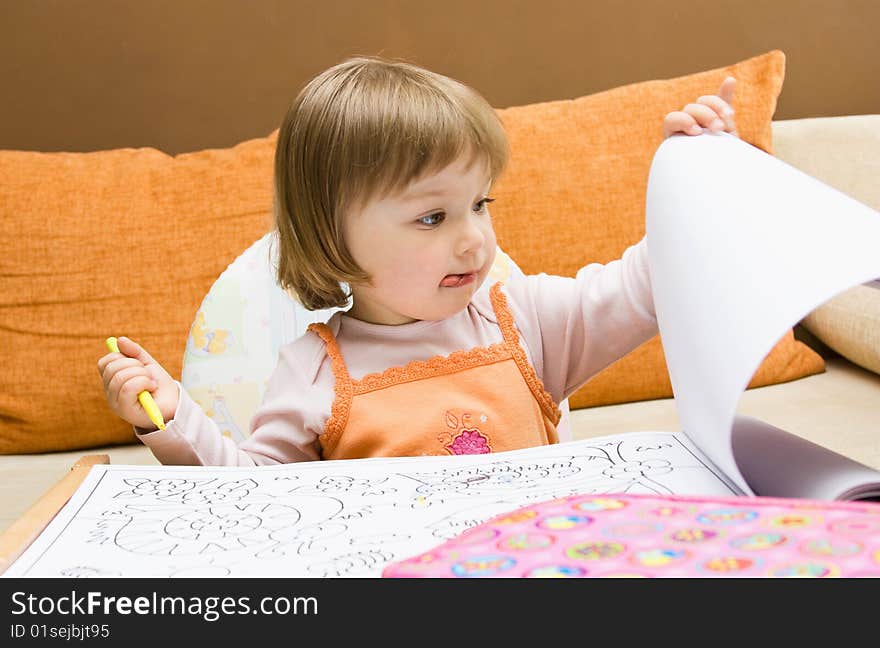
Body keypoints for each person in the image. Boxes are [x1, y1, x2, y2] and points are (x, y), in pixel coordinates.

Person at [98, 56, 737, 465]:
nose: (474, 241)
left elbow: (651, 284)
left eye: (480, 204)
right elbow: (256, 500)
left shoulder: (527, 320)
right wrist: (173, 416)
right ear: (333, 237)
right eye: (432, 217)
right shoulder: (315, 374)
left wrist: (700, 179)